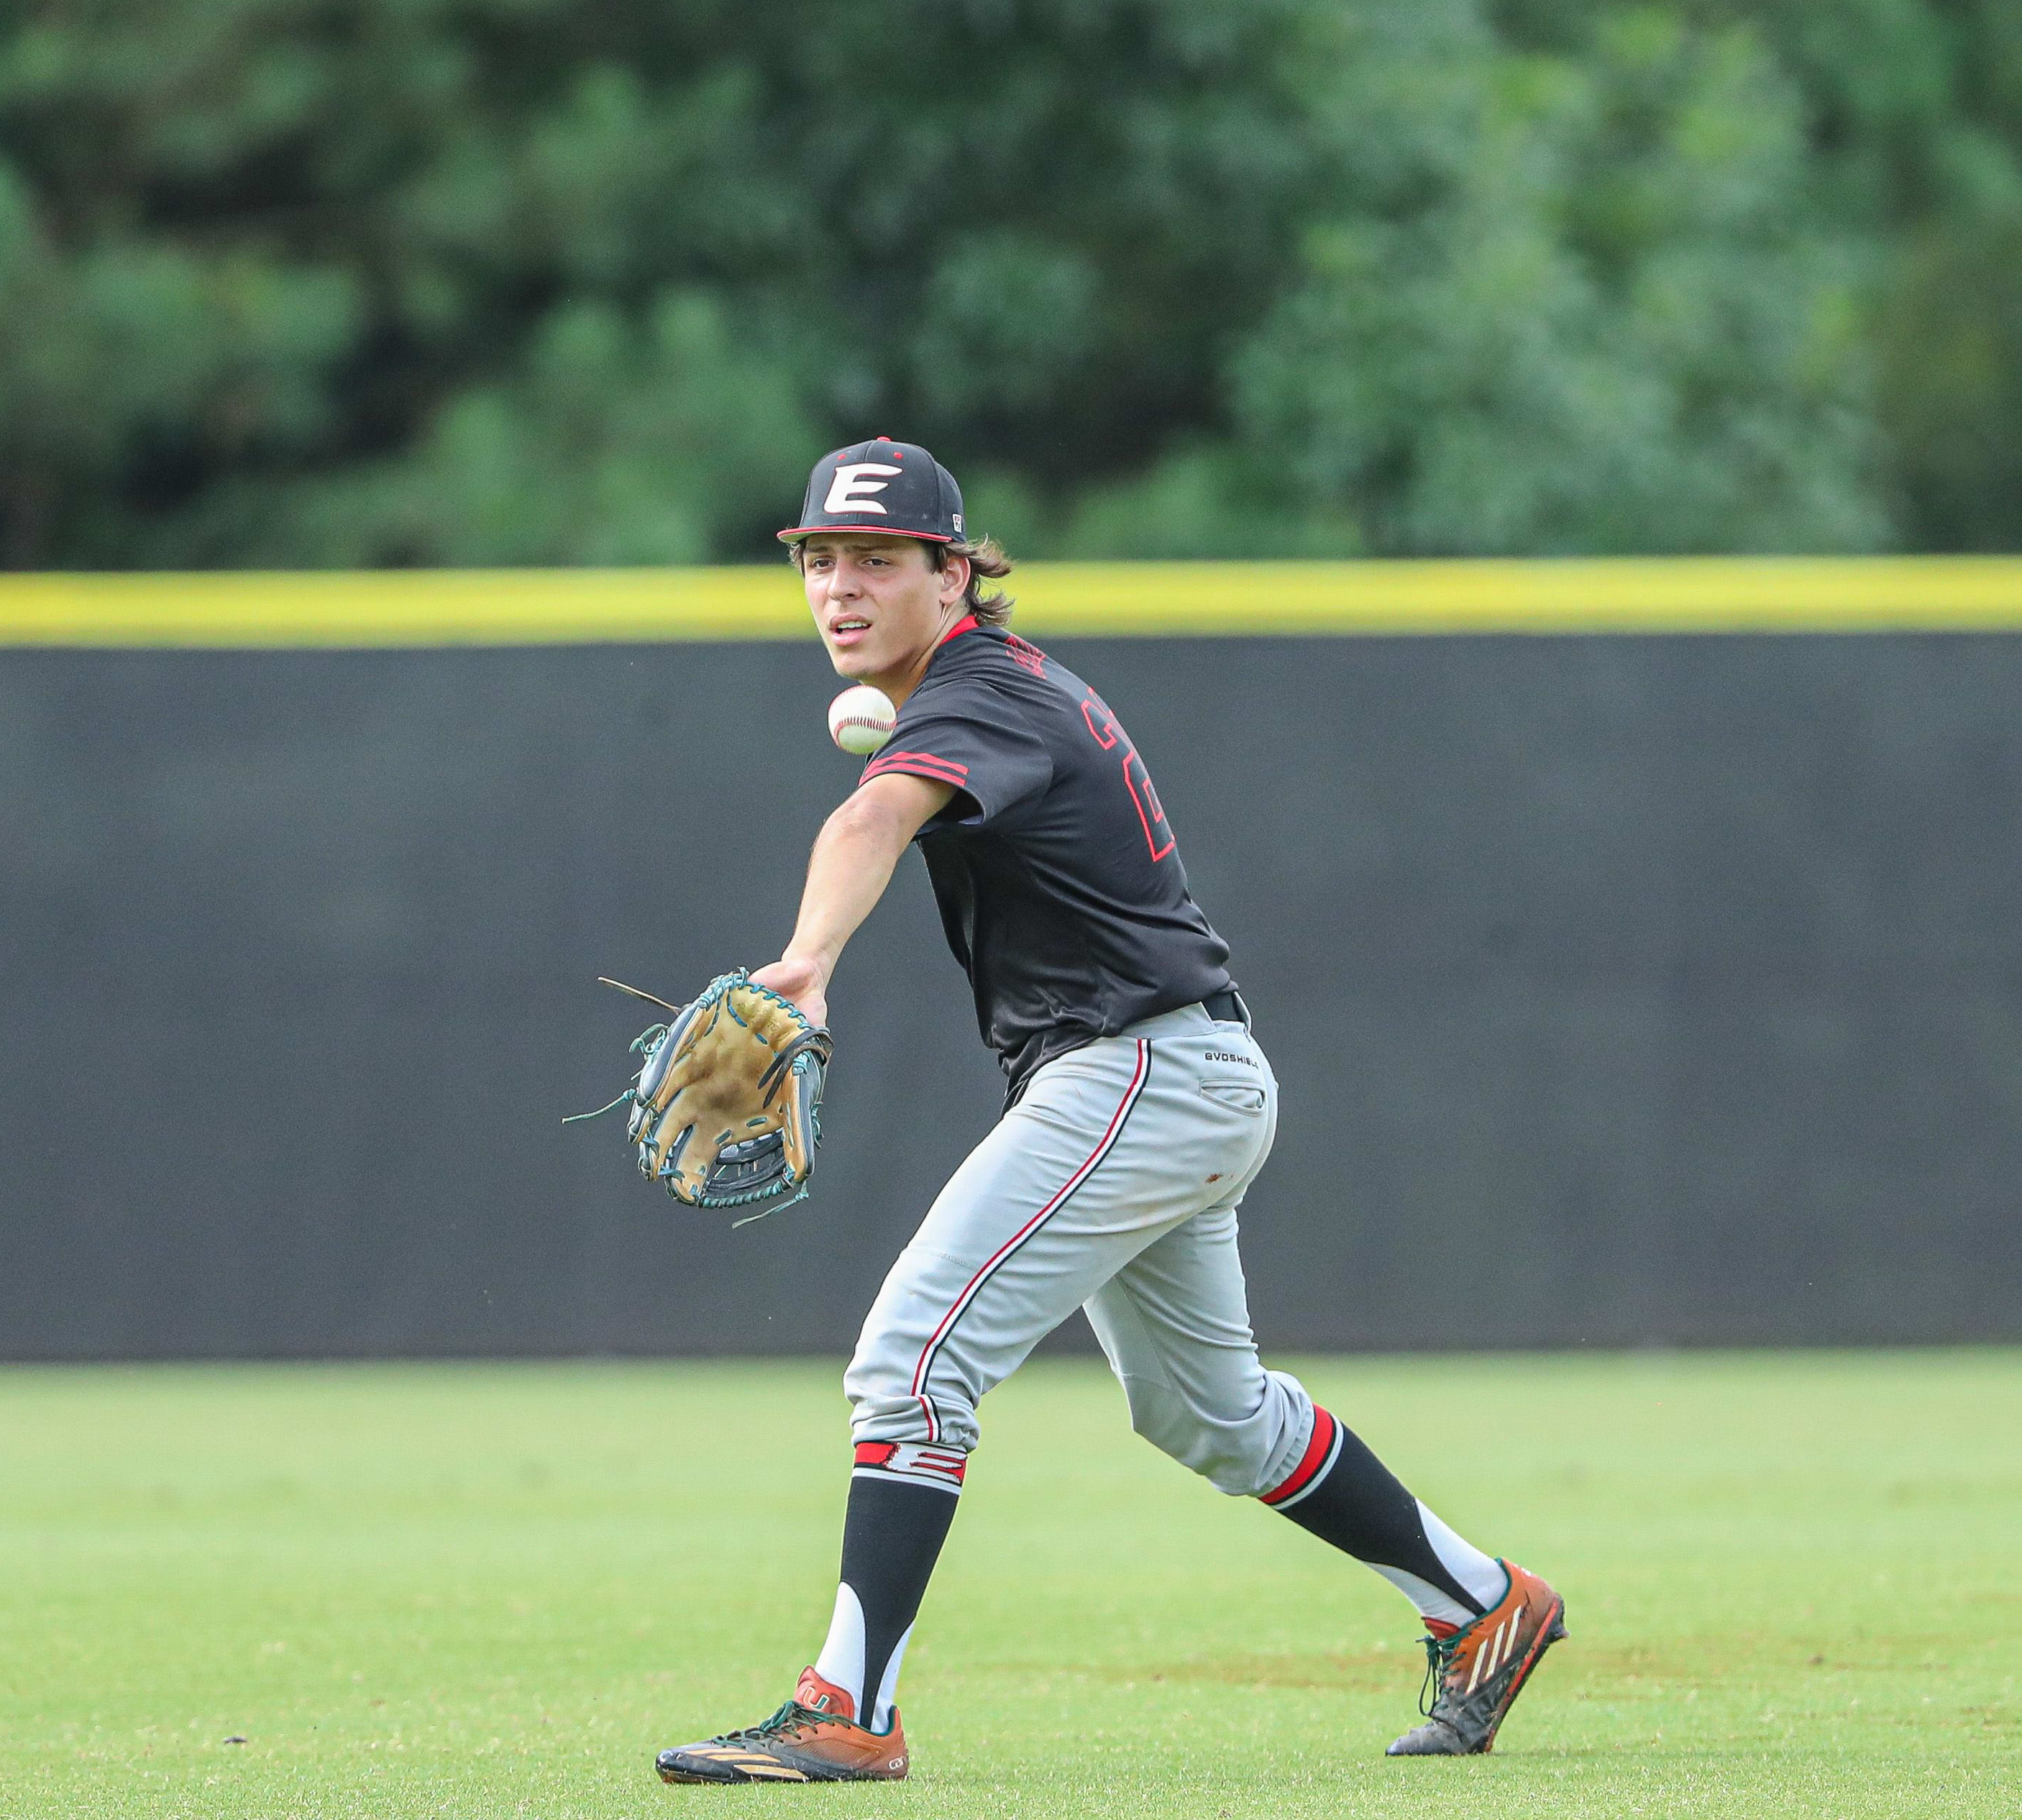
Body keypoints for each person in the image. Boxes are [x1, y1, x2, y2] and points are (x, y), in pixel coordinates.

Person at [652, 439, 1564, 1785]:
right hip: (1184, 1076)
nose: (840, 588)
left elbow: (872, 822)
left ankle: (849, 1708)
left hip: (1137, 1074)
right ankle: (1485, 1604)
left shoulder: (980, 695)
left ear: (953, 572)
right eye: (820, 561)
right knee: (1213, 1416)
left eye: (878, 561)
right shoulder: (983, 692)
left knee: (911, 1361)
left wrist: (805, 965)